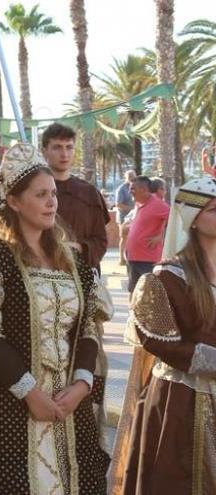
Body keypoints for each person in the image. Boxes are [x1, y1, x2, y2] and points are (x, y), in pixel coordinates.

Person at [0, 143, 111, 494]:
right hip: (7, 408)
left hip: (69, 408)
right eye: (41, 194)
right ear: (14, 202)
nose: (52, 202)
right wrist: (32, 394)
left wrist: (81, 386)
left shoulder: (75, 265)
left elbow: (88, 330)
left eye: (54, 194)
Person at [110, 177, 216, 494]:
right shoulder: (168, 276)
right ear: (192, 220)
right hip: (183, 403)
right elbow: (158, 339)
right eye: (213, 209)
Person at [41, 123, 110, 272]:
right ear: (44, 151)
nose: (64, 154)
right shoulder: (34, 192)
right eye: (57, 147)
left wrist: (79, 248)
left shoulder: (89, 193)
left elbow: (100, 240)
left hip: (82, 274)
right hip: (43, 274)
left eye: (69, 147)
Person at [125, 176, 170, 293]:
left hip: (148, 259)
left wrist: (161, 236)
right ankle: (132, 312)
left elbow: (175, 221)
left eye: (133, 189)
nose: (130, 192)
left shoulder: (158, 204)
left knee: (150, 294)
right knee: (134, 292)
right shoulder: (138, 204)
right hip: (133, 258)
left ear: (144, 190)